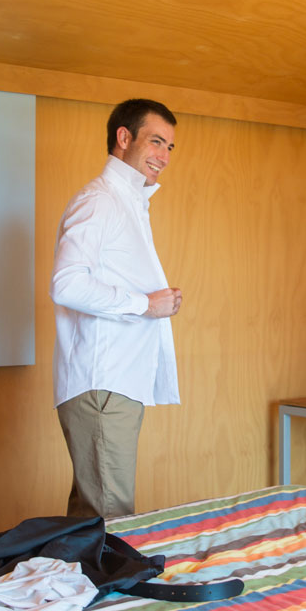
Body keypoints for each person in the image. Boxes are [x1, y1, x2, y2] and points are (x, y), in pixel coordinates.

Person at [50, 99, 183, 519]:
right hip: (103, 384)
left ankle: (78, 583)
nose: (163, 156)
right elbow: (66, 283)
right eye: (156, 142)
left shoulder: (128, 202)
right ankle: (113, 586)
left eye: (170, 147)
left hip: (115, 384)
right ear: (124, 138)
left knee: (92, 513)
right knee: (111, 514)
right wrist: (146, 305)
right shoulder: (100, 200)